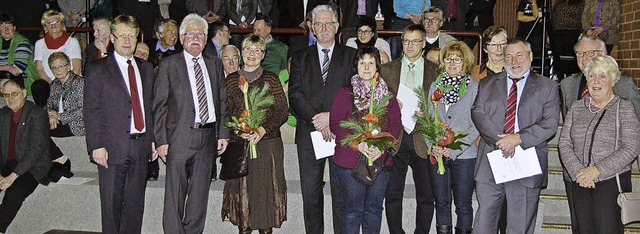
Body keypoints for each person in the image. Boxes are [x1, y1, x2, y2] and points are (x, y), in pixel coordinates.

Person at [471, 38, 560, 234]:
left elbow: (550, 123)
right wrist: (501, 141)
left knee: (520, 224)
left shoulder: (547, 86)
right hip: (491, 159)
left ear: (530, 56)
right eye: (509, 56)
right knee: (484, 222)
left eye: (519, 55)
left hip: (526, 161)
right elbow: (478, 113)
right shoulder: (487, 83)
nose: (514, 60)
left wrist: (518, 138)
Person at [153, 13, 229, 234]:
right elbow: (159, 105)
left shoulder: (214, 64)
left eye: (200, 34)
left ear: (206, 39)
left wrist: (223, 133)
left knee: (198, 197)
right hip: (178, 138)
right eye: (190, 34)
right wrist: (161, 140)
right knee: (175, 195)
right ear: (181, 37)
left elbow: (222, 100)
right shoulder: (169, 65)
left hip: (208, 138)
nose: (195, 38)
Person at [558, 35, 640, 234]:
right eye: (592, 76)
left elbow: (630, 147)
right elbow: (564, 143)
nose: (596, 81)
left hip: (611, 182)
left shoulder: (624, 107)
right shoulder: (577, 108)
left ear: (613, 80)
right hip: (580, 181)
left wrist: (597, 170)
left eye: (602, 76)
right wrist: (579, 171)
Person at [84, 14, 155, 234]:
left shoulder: (147, 69)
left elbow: (150, 107)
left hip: (141, 146)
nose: (127, 41)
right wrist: (96, 145)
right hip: (111, 148)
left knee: (135, 207)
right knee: (111, 207)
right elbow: (91, 109)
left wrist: (152, 139)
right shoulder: (97, 69)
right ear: (112, 38)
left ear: (137, 39)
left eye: (131, 36)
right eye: (122, 36)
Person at [288, 5, 356, 234]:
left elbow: (355, 93)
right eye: (319, 24)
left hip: (342, 135)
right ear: (312, 28)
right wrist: (316, 119)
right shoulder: (299, 57)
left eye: (329, 23)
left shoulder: (351, 56)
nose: (324, 28)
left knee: (341, 194)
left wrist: (332, 118)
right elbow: (295, 93)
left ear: (337, 28)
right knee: (311, 195)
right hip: (309, 133)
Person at [330, 47, 402, 234]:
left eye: (371, 62)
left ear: (378, 66)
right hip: (349, 162)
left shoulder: (387, 94)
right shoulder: (345, 92)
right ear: (356, 66)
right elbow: (336, 124)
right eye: (362, 62)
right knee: (352, 211)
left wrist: (382, 148)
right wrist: (358, 144)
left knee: (374, 210)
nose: (367, 67)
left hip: (380, 160)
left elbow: (395, 125)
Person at [221, 34, 288, 234]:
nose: (252, 54)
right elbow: (225, 112)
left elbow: (281, 111)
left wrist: (261, 129)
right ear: (241, 53)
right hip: (240, 145)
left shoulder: (271, 78)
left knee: (265, 194)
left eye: (257, 50)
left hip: (267, 144)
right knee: (244, 195)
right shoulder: (232, 81)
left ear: (263, 54)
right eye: (248, 49)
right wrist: (238, 130)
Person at [380, 24, 438, 234]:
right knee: (393, 193)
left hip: (423, 139)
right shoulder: (387, 70)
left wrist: (428, 113)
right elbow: (377, 105)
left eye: (415, 41)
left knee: (426, 195)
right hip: (395, 138)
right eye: (406, 41)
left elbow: (441, 108)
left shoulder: (435, 70)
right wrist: (391, 106)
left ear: (423, 44)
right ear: (401, 42)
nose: (410, 45)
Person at [427, 41, 478, 234]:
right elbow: (428, 121)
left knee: (463, 204)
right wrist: (432, 145)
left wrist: (454, 149)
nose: (452, 63)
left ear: (465, 62)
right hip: (438, 153)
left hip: (464, 156)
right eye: (449, 59)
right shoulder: (435, 86)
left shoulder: (474, 87)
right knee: (441, 203)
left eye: (457, 59)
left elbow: (476, 126)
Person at [0, 78, 51, 234]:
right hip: (7, 163)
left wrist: (11, 177)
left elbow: (35, 151)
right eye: (6, 95)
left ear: (24, 93)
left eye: (14, 94)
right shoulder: (2, 114)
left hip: (32, 166)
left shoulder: (37, 114)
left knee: (15, 192)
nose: (10, 99)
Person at [45, 52, 84, 181]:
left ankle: (60, 160)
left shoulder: (80, 83)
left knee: (37, 130)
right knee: (35, 128)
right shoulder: (55, 84)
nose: (58, 70)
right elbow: (49, 104)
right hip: (58, 121)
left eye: (61, 66)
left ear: (69, 66)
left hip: (76, 124)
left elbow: (84, 110)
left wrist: (60, 116)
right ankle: (59, 159)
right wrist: (51, 114)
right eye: (54, 67)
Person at [33, 10, 82, 107]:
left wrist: (63, 84)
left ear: (62, 24)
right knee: (38, 86)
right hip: (49, 82)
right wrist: (52, 84)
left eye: (56, 22)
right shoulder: (39, 44)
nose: (53, 25)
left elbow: (77, 68)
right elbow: (39, 68)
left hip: (69, 82)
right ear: (45, 27)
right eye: (49, 23)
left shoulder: (72, 42)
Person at [0, 12, 38, 94]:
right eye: (2, 26)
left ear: (14, 28)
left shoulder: (23, 42)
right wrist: (6, 67)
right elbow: (8, 68)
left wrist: (7, 68)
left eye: (9, 25)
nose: (6, 29)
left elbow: (16, 70)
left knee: (4, 83)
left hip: (23, 80)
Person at [550, 0, 583, 80]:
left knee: (570, 60)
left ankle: (571, 79)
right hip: (557, 33)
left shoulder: (580, 2)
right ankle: (560, 78)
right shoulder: (560, 2)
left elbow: (582, 17)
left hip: (572, 33)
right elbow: (554, 17)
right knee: (558, 59)